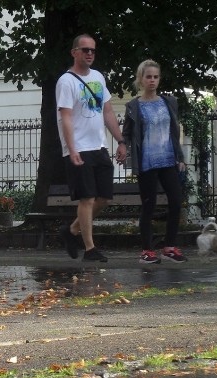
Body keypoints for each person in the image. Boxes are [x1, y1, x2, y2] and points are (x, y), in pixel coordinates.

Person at [56, 34, 126, 262]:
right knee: (86, 198)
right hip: (79, 149)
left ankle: (71, 231)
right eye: (85, 50)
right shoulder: (66, 81)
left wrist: (120, 140)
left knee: (104, 198)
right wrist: (72, 148)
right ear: (74, 52)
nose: (89, 54)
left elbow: (107, 111)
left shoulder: (98, 77)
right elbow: (65, 117)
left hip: (99, 146)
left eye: (93, 50)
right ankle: (89, 249)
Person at [121, 60, 187, 264]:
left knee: (176, 202)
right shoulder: (134, 106)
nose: (152, 80)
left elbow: (175, 132)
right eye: (148, 76)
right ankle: (147, 250)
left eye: (155, 77)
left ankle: (169, 247)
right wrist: (122, 146)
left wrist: (180, 157)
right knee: (148, 206)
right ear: (141, 79)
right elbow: (127, 133)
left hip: (168, 160)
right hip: (147, 162)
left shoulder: (169, 102)